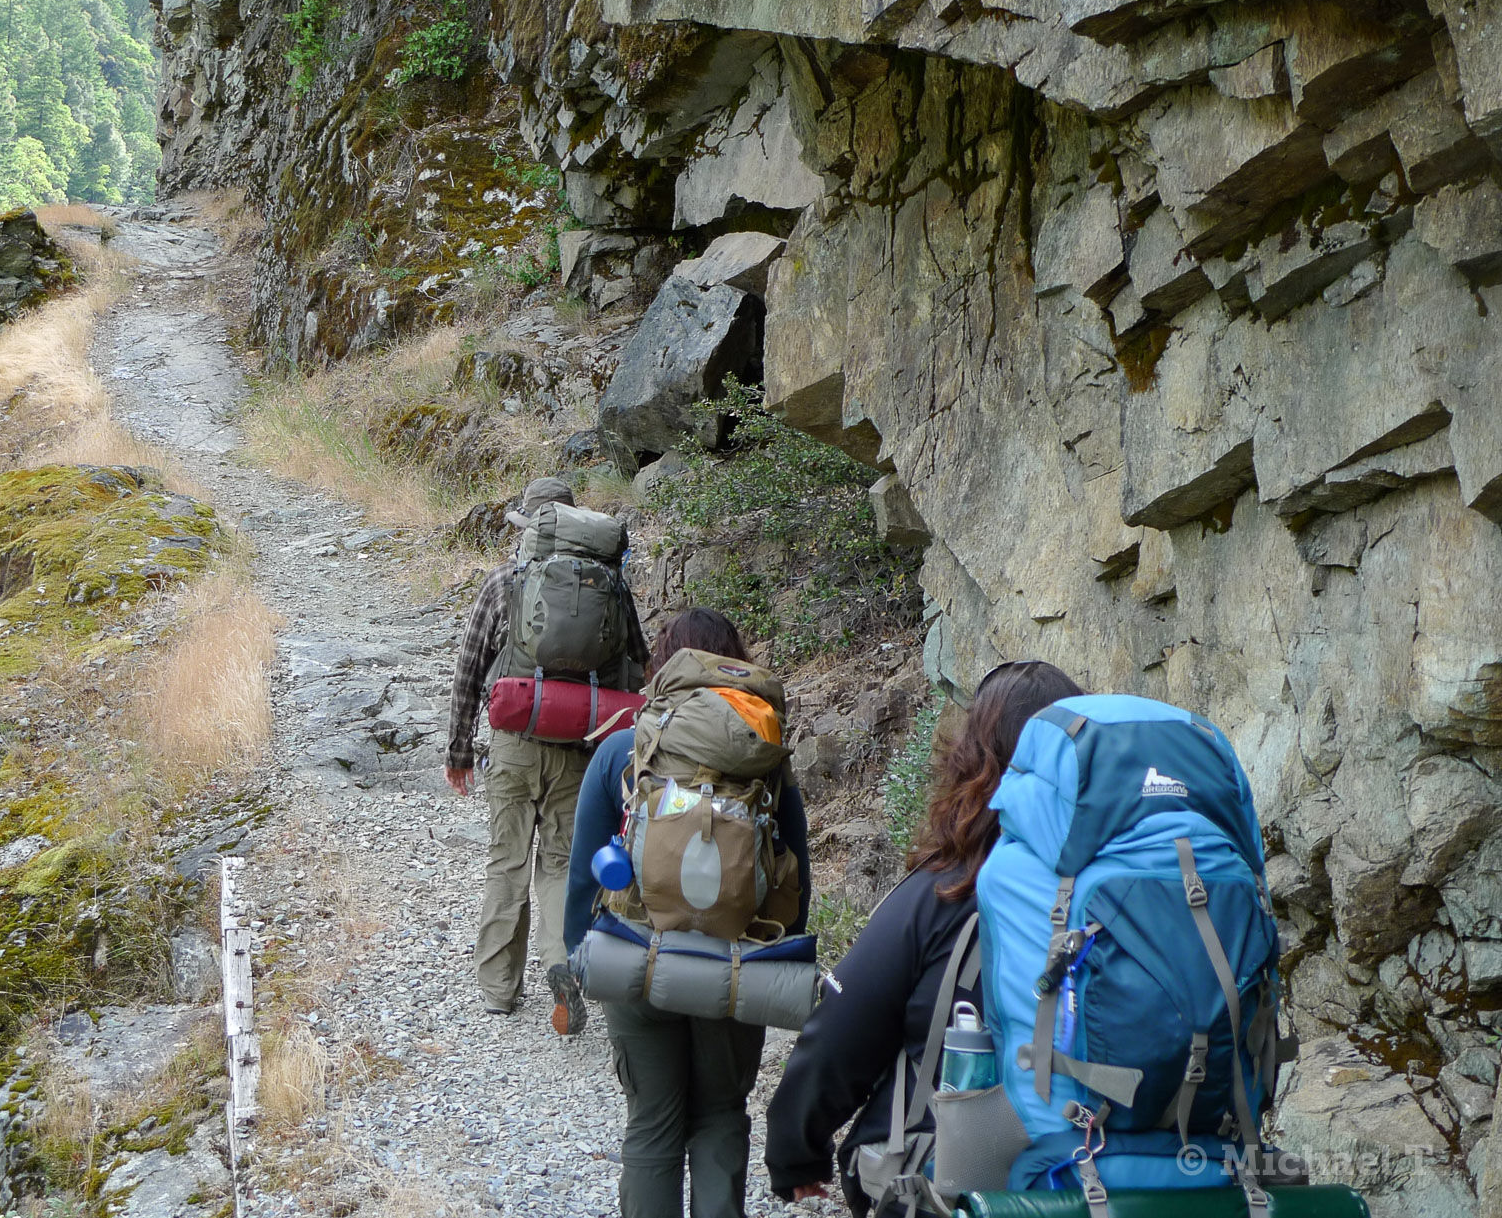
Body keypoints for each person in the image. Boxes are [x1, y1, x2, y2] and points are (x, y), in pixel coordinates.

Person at [764, 660, 1083, 1213]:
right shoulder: (1116, 892)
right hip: (1101, 1166)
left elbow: (843, 1030)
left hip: (960, 1176)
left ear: (973, 761)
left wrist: (796, 1148)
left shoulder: (947, 892)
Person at [564, 608, 812, 1218]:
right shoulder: (765, 761)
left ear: (663, 667)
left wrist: (582, 959)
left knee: (652, 1121)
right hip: (734, 965)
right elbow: (796, 879)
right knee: (722, 1114)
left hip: (637, 959)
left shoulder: (623, 748)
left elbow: (580, 875)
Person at [447, 476, 649, 1027]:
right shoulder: (612, 586)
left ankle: (497, 988)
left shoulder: (504, 583)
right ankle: (562, 966)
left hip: (513, 744)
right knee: (561, 862)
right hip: (580, 748)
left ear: (530, 526)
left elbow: (468, 669)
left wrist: (459, 749)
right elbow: (640, 666)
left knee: (506, 862)